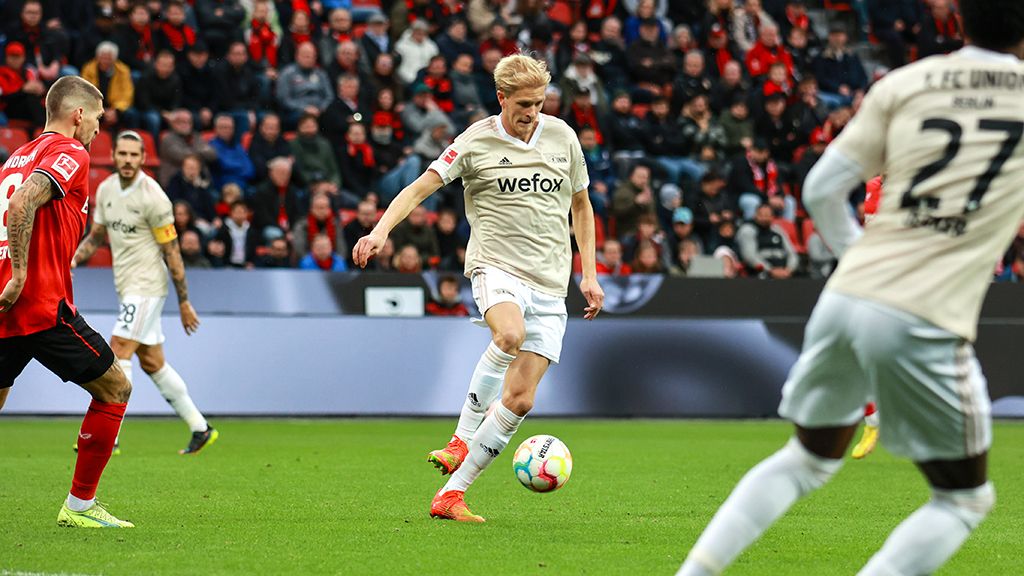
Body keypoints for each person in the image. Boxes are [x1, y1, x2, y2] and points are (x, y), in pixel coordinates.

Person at [678, 2, 1021, 573]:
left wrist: (863, 259)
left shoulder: (906, 83)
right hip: (924, 312)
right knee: (963, 498)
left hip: (847, 294)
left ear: (957, 19)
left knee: (806, 460)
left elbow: (819, 190)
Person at [352, 54, 603, 522]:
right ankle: (460, 438)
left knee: (521, 399)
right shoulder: (475, 140)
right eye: (524, 103)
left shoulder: (563, 137)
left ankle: (451, 495)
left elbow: (582, 207)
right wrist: (380, 232)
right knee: (507, 335)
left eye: (540, 102)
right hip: (497, 267)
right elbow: (416, 190)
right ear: (501, 97)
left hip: (552, 282)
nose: (533, 112)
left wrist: (588, 274)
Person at [0, 76, 133, 527]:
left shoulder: (16, 156)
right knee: (116, 387)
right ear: (78, 114)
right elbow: (20, 206)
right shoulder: (70, 151)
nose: (98, 128)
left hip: (5, 305)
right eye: (97, 118)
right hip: (38, 301)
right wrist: (21, 273)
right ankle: (80, 506)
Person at [73, 131, 218, 455]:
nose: (127, 160)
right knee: (153, 362)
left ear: (142, 158)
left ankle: (110, 436)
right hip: (127, 286)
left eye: (134, 155)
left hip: (148, 286)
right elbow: (97, 236)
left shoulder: (154, 197)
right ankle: (200, 427)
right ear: (113, 155)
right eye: (122, 154)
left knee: (118, 350)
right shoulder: (107, 188)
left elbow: (173, 252)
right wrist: (73, 260)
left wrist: (184, 301)